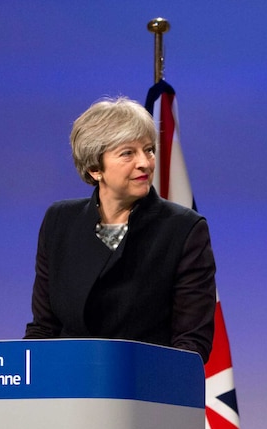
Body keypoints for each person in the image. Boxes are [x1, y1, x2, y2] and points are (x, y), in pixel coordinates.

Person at [24, 96, 216, 362]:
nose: (145, 163)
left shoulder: (183, 230)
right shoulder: (59, 222)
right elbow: (43, 329)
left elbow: (191, 342)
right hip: (68, 386)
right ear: (94, 168)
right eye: (128, 153)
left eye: (148, 150)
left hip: (144, 389)